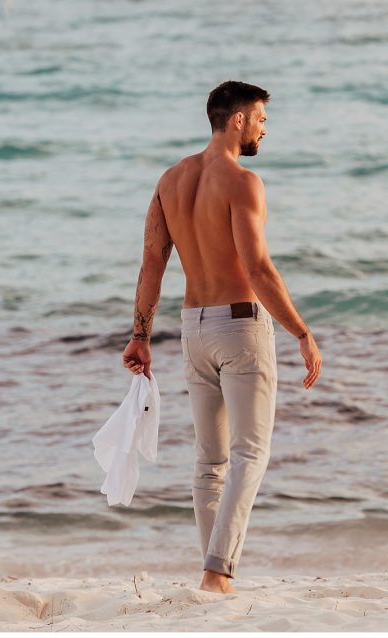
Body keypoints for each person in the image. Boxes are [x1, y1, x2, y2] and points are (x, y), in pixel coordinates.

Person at [121, 80, 323, 594]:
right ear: (236, 120)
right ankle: (217, 572)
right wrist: (300, 331)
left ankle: (215, 572)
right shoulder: (242, 181)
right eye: (260, 118)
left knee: (211, 461)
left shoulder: (170, 180)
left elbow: (151, 264)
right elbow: (257, 267)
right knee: (250, 454)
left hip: (193, 327)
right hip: (239, 326)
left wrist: (139, 335)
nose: (263, 128)